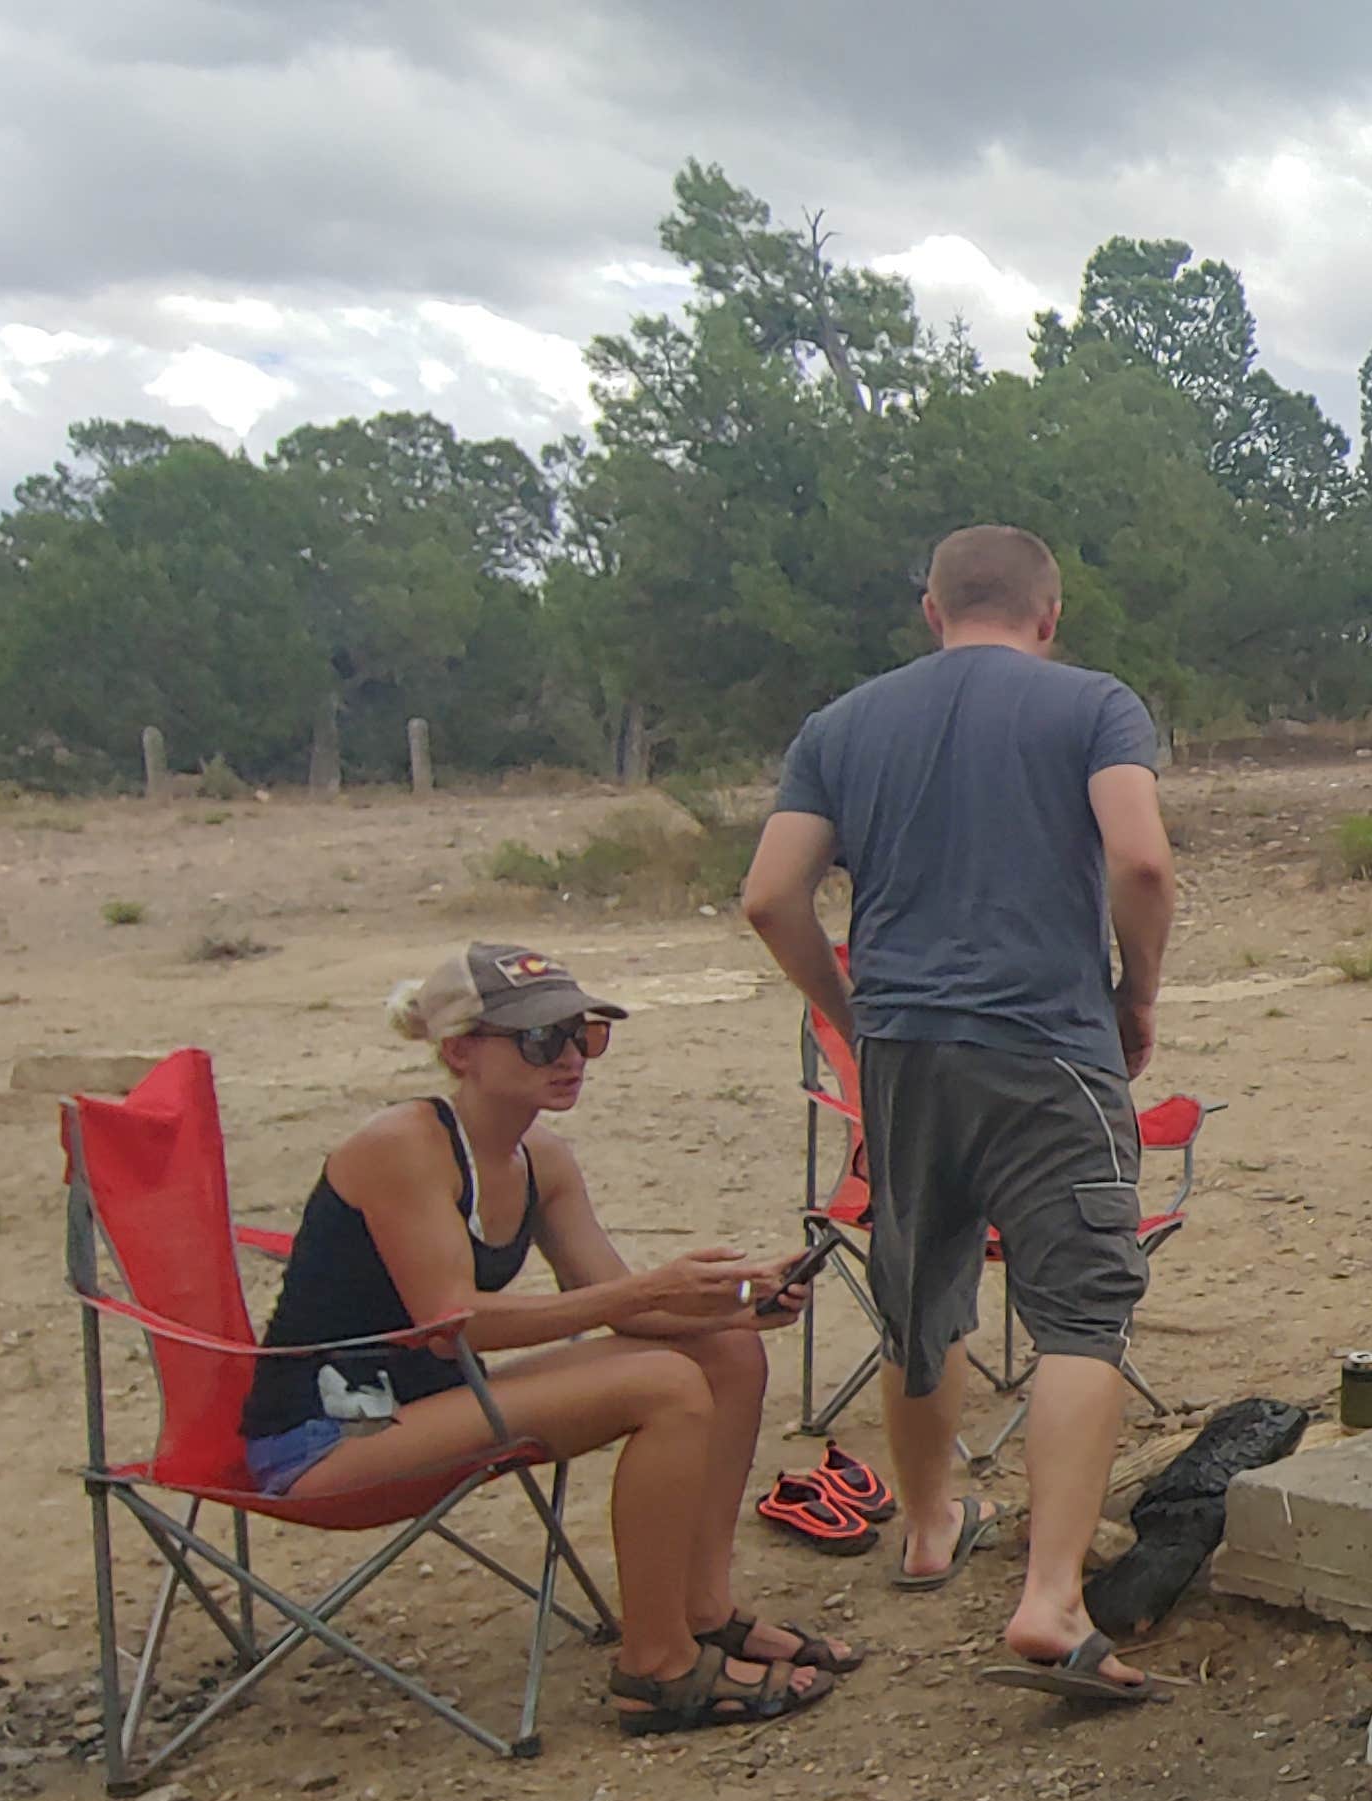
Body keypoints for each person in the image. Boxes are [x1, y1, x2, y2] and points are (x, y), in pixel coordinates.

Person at [738, 522, 1181, 1704]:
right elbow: (1140, 864)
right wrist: (1135, 996)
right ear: (1050, 613)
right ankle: (1049, 1598)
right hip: (1048, 1046)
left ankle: (930, 1528)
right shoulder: (1092, 705)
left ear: (930, 612)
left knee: (918, 1283)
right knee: (1083, 1308)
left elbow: (771, 894)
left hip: (903, 1051)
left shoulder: (841, 726)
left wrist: (849, 1009)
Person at [245, 943, 852, 1735]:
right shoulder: (404, 1145)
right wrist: (653, 1289)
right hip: (327, 1439)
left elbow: (630, 1312)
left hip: (429, 1403)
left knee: (726, 1354)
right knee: (662, 1387)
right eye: (540, 1039)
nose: (571, 1057)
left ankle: (704, 1611)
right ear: (460, 1051)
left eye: (584, 1034)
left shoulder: (542, 1159)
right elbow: (451, 1323)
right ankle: (656, 1669)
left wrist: (737, 1302)